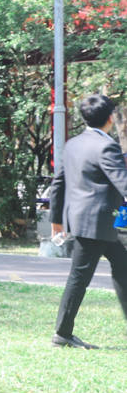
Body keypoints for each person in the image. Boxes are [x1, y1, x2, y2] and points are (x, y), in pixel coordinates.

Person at [48, 94, 127, 349]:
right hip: (97, 224)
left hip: (89, 222)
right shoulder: (106, 146)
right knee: (79, 277)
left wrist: (56, 220)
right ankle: (62, 333)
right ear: (110, 117)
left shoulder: (73, 143)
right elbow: (123, 182)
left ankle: (63, 332)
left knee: (122, 267)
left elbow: (58, 183)